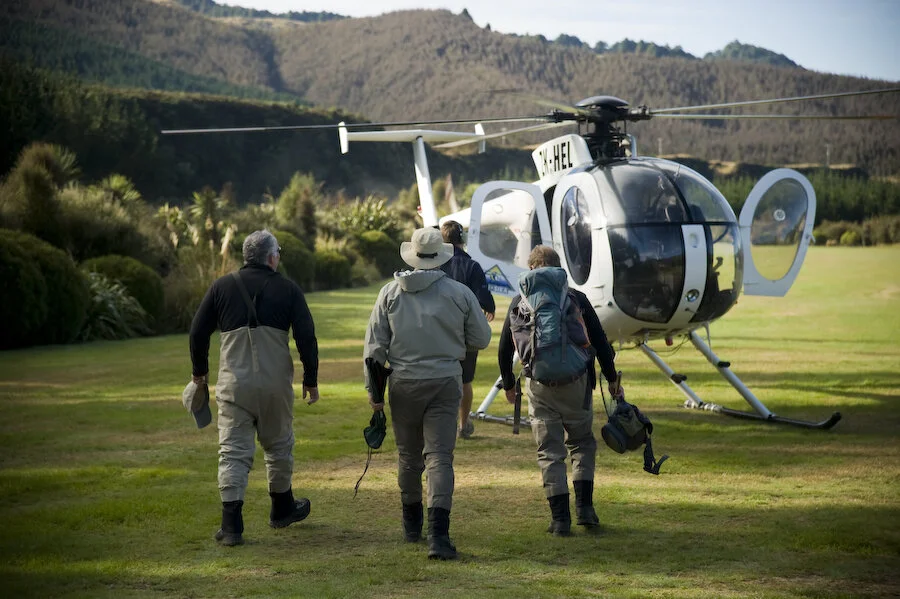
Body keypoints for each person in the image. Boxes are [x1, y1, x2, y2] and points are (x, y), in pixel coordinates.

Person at [364, 227, 492, 560]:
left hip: (403, 382)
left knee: (408, 456)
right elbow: (481, 338)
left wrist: (374, 392)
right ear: (441, 257)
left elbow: (374, 351)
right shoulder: (459, 292)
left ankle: (411, 525)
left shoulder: (390, 293)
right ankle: (438, 534)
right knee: (439, 457)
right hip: (445, 381)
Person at [189, 229, 320, 547]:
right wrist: (311, 380)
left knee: (232, 452)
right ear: (272, 257)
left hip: (234, 385)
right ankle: (281, 509)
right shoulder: (288, 289)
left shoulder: (222, 286)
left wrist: (200, 376)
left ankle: (231, 526)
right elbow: (306, 337)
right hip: (275, 384)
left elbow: (197, 332)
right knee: (278, 447)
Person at [497, 246, 621, 536]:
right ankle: (585, 510)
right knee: (581, 443)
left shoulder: (520, 300)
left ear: (531, 269)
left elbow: (505, 349)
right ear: (557, 269)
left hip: (539, 385)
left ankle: (560, 520)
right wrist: (612, 378)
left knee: (549, 451)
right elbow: (600, 342)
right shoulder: (576, 298)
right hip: (577, 382)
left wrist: (509, 383)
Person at [439, 220, 496, 439]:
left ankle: (445, 424)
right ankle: (464, 424)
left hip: (439, 330)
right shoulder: (471, 265)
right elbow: (483, 296)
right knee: (465, 380)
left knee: (441, 377)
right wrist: (489, 308)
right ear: (461, 239)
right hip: (464, 332)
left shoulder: (435, 263)